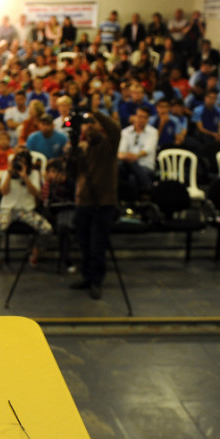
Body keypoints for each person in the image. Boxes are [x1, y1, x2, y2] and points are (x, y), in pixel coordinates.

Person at [69, 111, 121, 300]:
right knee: (83, 244)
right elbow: (73, 174)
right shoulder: (82, 148)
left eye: (93, 124)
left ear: (99, 126)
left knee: (97, 246)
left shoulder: (109, 145)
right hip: (83, 202)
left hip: (103, 203)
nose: (89, 127)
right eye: (86, 125)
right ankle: (87, 277)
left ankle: (96, 281)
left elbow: (115, 129)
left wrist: (93, 111)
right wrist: (71, 155)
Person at [0, 149, 52, 268]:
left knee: (47, 229)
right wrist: (9, 174)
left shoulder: (34, 174)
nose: (20, 166)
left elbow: (36, 193)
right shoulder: (6, 173)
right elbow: (3, 191)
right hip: (7, 210)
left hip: (27, 210)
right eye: (18, 162)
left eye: (24, 163)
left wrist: (25, 177)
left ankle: (35, 252)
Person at [117, 106, 159, 193]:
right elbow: (121, 152)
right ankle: (148, 188)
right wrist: (127, 157)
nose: (142, 120)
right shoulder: (125, 132)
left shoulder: (153, 132)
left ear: (148, 119)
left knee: (132, 178)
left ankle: (131, 202)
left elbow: (146, 150)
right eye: (140, 116)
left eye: (145, 117)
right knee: (118, 167)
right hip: (126, 165)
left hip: (145, 165)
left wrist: (132, 157)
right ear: (134, 117)